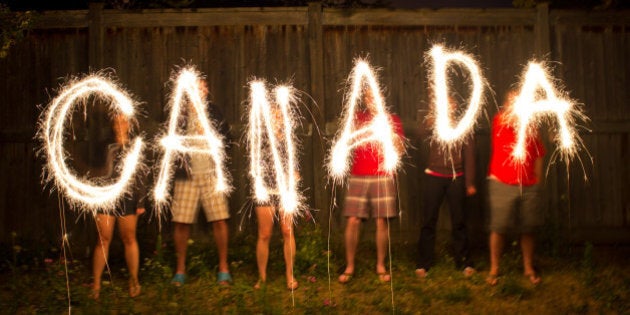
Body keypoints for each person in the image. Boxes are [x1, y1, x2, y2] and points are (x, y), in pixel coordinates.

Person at [338, 88, 406, 284]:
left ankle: (380, 265)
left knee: (381, 221)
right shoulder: (358, 118)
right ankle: (349, 266)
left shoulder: (393, 120)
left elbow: (400, 151)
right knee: (352, 221)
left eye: (374, 95)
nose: (371, 99)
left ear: (382, 96)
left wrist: (389, 134)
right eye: (367, 96)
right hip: (358, 175)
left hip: (383, 175)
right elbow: (347, 139)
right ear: (365, 100)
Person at [170, 79, 232, 286]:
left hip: (210, 174)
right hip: (186, 175)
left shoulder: (214, 111)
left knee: (220, 220)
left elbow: (228, 139)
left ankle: (223, 268)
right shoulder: (180, 114)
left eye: (204, 86)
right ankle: (180, 270)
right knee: (181, 222)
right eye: (197, 86)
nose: (202, 90)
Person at [486, 90, 545, 286]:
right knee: (499, 227)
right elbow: (510, 121)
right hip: (502, 181)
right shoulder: (500, 120)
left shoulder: (532, 125)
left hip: (528, 184)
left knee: (528, 228)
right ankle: (494, 268)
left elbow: (538, 152)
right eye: (513, 101)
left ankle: (528, 268)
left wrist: (538, 180)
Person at [415, 98, 477, 279]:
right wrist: (430, 119)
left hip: (456, 178)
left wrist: (470, 182)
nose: (447, 106)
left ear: (455, 106)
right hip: (434, 176)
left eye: (450, 103)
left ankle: (464, 262)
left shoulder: (464, 124)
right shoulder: (434, 123)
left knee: (459, 221)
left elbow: (469, 153)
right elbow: (419, 134)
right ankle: (423, 264)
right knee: (428, 221)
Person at [91, 113, 146, 299]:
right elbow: (96, 172)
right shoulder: (104, 145)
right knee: (103, 239)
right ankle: (96, 285)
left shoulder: (135, 146)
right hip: (106, 196)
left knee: (129, 238)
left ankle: (134, 281)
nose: (120, 124)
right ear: (113, 124)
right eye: (117, 121)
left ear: (129, 124)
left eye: (124, 121)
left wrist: (140, 201)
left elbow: (141, 174)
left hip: (128, 197)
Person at [252, 107, 299, 291]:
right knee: (264, 234)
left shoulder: (289, 138)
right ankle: (262, 277)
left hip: (285, 190)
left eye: (280, 115)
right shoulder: (260, 138)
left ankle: (290, 274)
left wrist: (295, 173)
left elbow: (295, 163)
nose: (277, 118)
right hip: (265, 189)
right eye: (273, 115)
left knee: (287, 231)